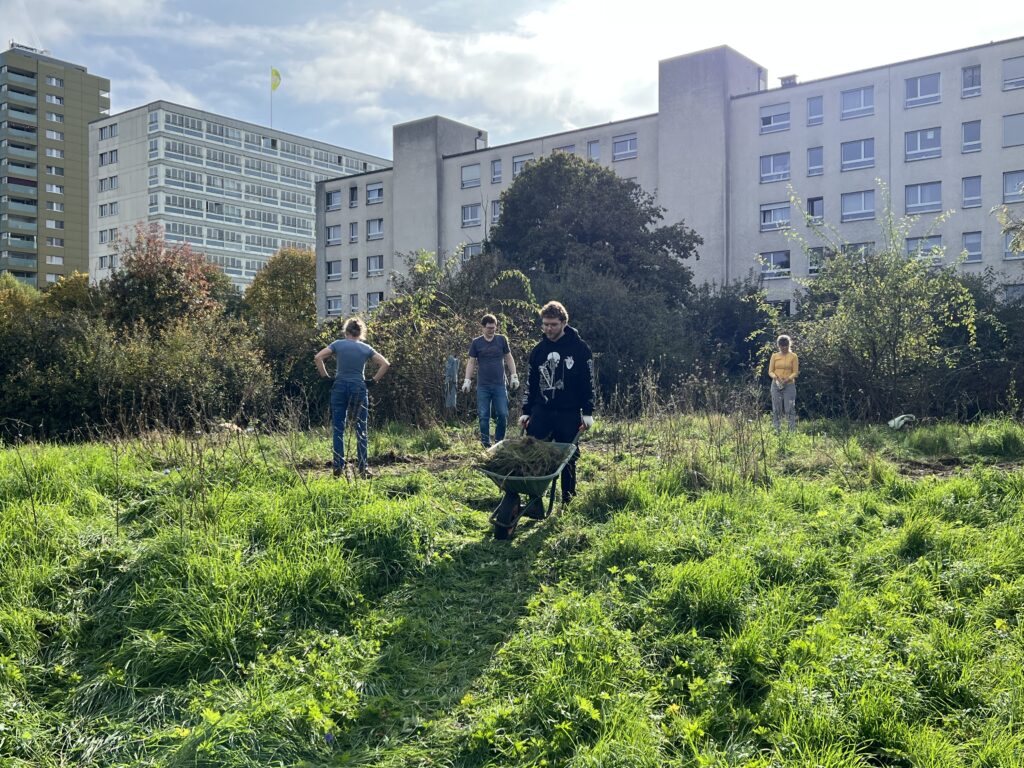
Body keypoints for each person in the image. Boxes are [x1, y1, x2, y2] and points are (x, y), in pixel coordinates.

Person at [518, 301, 595, 507]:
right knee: (534, 454)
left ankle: (567, 502)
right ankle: (535, 502)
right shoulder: (538, 351)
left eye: (553, 324)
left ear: (563, 323)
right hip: (541, 410)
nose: (548, 329)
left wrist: (587, 411)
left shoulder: (579, 349)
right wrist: (526, 411)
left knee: (568, 458)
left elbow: (588, 382)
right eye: (545, 324)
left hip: (568, 412)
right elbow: (530, 383)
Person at [314, 317, 390, 477]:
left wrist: (325, 377)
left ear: (346, 331)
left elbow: (318, 357)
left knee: (338, 429)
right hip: (358, 388)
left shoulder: (337, 345)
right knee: (361, 429)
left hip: (339, 386)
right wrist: (373, 381)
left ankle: (338, 467)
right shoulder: (365, 348)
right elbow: (385, 364)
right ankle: (363, 468)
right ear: (361, 332)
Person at [462, 313, 519, 447]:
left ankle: (499, 443)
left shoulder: (501, 340)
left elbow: (509, 358)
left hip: (499, 384)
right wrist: (467, 380)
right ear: (482, 327)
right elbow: (471, 362)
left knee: (503, 414)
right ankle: (485, 444)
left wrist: (514, 375)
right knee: (483, 416)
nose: (491, 330)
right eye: (489, 328)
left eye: (493, 328)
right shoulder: (476, 343)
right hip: (483, 386)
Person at [768, 334, 799, 433]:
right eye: (782, 345)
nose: (784, 347)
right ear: (778, 345)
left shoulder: (793, 356)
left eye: (785, 345)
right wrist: (776, 378)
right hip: (776, 384)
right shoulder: (774, 356)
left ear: (789, 345)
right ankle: (777, 430)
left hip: (789, 385)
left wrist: (787, 379)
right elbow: (770, 371)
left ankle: (791, 431)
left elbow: (795, 371)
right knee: (776, 409)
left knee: (789, 408)